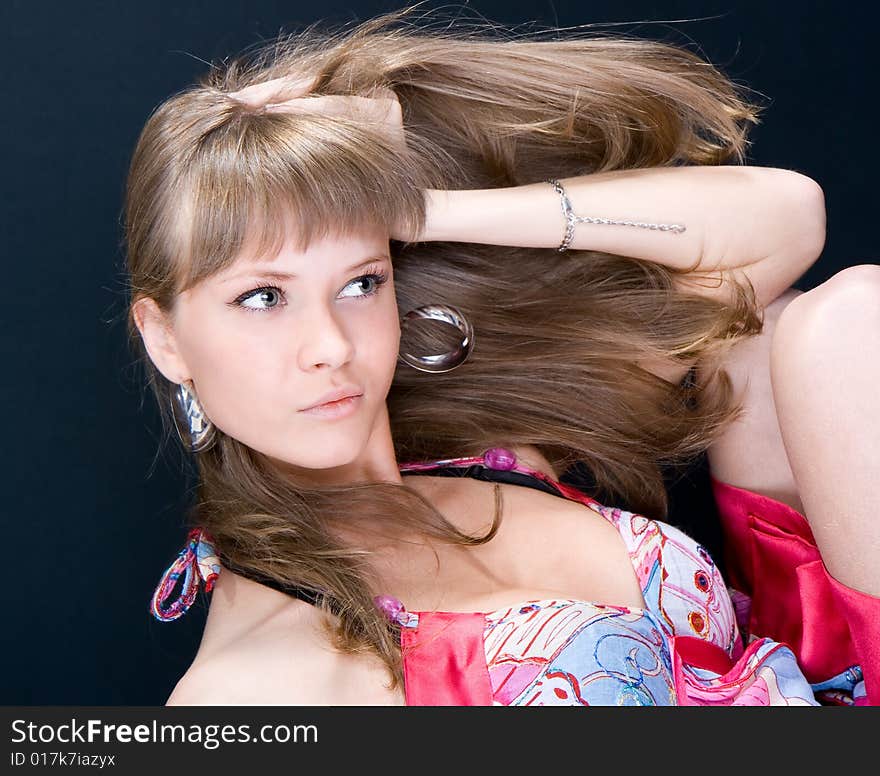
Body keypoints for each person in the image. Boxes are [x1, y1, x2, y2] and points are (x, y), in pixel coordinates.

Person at [125, 8, 877, 705]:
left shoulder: (478, 451)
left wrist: (425, 207)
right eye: (262, 297)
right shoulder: (250, 686)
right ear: (165, 338)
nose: (330, 346)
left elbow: (786, 219)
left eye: (361, 281)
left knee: (835, 319)